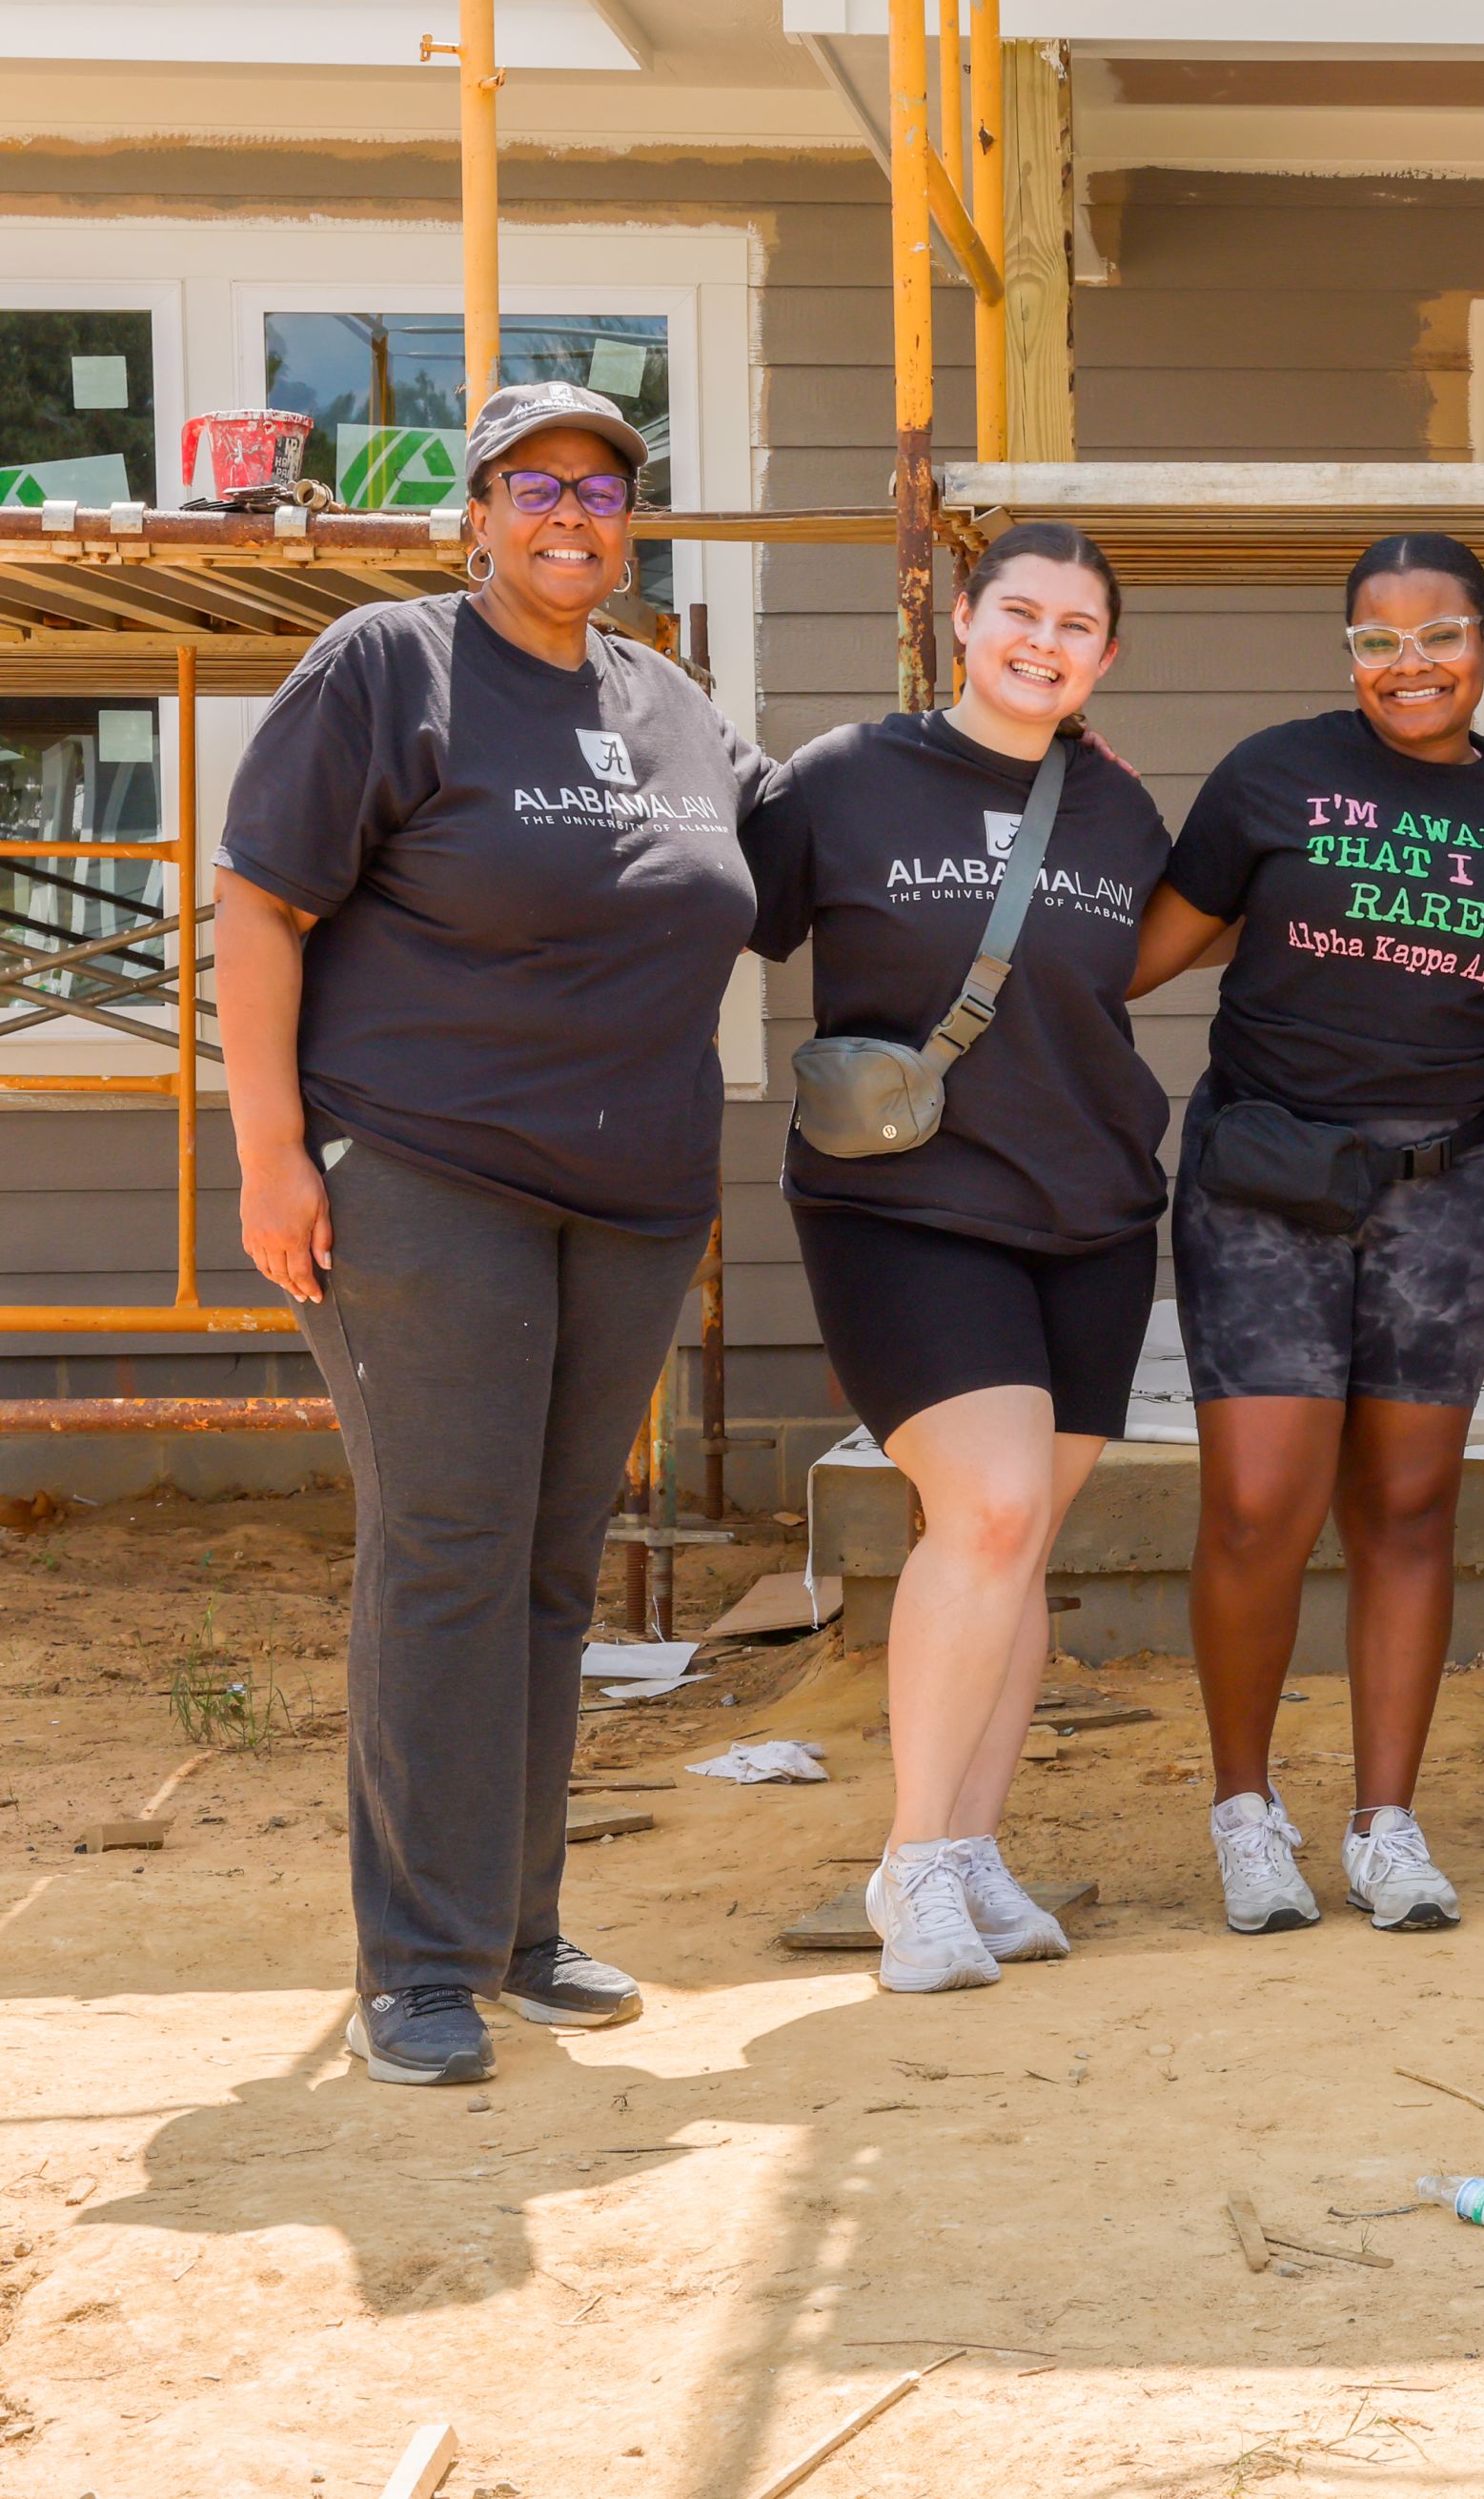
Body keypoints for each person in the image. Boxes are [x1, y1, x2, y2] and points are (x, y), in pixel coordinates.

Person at [213, 382, 763, 2086]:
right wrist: (270, 1154)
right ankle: (424, 1963)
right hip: (424, 1174)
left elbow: (808, 840)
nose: (574, 515)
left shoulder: (669, 702)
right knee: (447, 1549)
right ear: (477, 513)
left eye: (606, 490)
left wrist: (1019, 753)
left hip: (631, 1198)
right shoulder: (392, 666)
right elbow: (256, 900)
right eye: (538, 486)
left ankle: (519, 1928)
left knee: (547, 1562)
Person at [1129, 534, 1484, 1939]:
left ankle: (1386, 1825)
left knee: (1411, 1509)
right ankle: (1246, 1817)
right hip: (1266, 1180)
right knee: (1258, 1506)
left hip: (1451, 1192)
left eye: (1438, 634)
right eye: (1377, 638)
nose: (1409, 662)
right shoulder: (1270, 779)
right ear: (1347, 652)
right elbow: (1132, 956)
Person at [743, 524, 1169, 1995]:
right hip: (904, 1209)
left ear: (1106, 659)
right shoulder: (843, 780)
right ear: (964, 625)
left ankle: (976, 1852)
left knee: (1016, 1544)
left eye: (1078, 626)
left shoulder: (1118, 812)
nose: (1044, 643)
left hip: (1095, 1215)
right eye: (1020, 613)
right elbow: (689, 923)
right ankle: (912, 1865)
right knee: (983, 1510)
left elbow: (1115, 989)